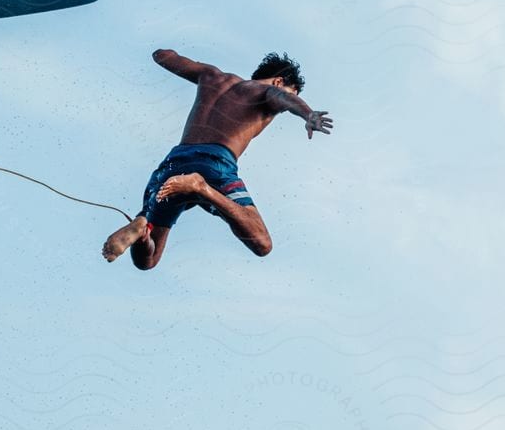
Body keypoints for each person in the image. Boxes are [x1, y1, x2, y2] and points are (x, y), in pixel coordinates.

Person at [101, 49, 332, 269]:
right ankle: (201, 188)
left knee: (147, 260)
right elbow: (283, 98)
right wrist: (307, 114)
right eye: (292, 91)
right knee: (262, 244)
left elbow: (163, 56)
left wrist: (163, 53)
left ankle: (142, 231)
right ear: (279, 81)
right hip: (214, 164)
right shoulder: (266, 92)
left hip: (173, 163)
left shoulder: (211, 76)